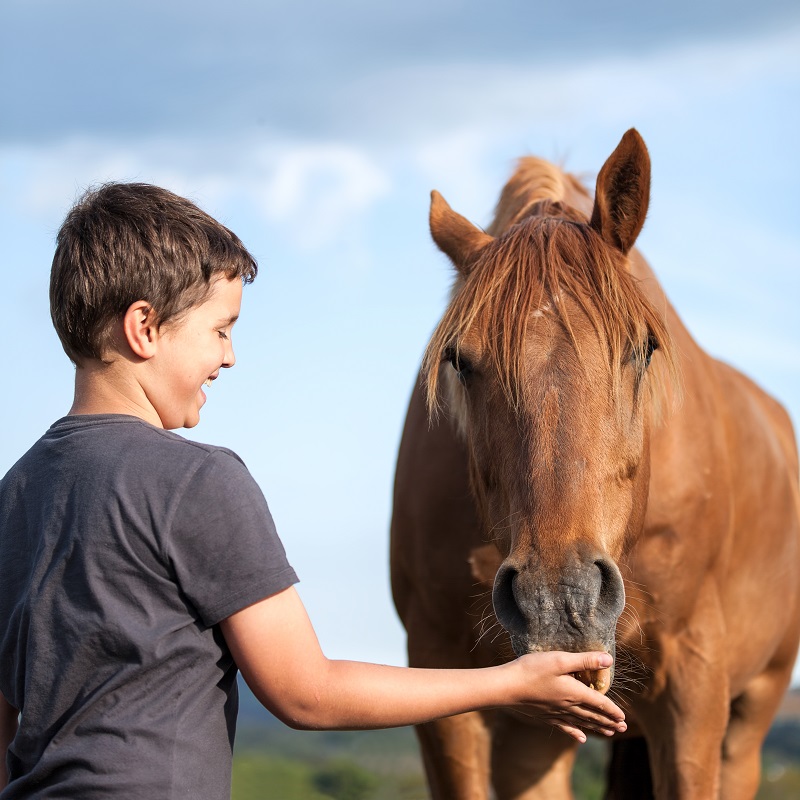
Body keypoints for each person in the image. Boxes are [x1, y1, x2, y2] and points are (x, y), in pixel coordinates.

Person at [0, 183, 626, 799]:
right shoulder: (197, 483)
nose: (230, 356)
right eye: (220, 330)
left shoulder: (14, 494)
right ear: (144, 328)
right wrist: (509, 683)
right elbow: (307, 693)